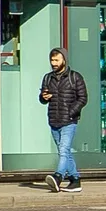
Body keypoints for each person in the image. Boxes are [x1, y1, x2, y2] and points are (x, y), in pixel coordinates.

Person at [40, 48, 88, 192]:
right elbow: (43, 98)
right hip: (54, 120)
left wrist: (71, 112)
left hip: (69, 121)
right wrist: (43, 97)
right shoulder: (48, 78)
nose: (53, 63)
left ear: (64, 60)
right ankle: (75, 180)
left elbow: (83, 98)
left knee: (63, 150)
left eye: (57, 60)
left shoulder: (75, 77)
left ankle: (58, 176)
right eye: (52, 60)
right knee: (65, 152)